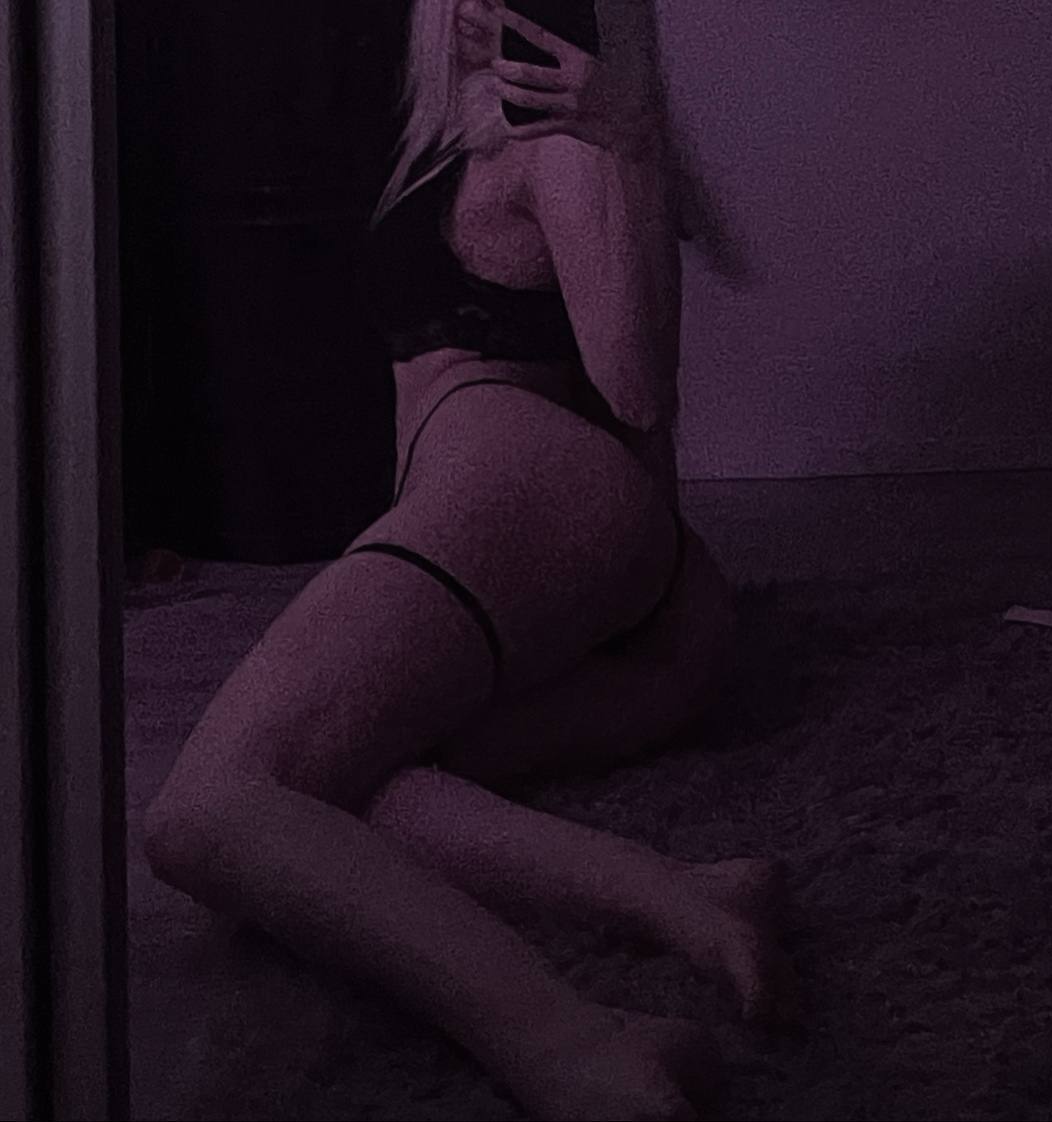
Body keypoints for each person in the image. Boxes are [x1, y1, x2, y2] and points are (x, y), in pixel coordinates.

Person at [142, 1, 790, 1118]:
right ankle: (676, 891)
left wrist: (626, 141)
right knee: (337, 777)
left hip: (529, 482)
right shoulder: (449, 138)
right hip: (498, 503)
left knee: (208, 807)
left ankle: (578, 1047)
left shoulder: (563, 144)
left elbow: (636, 388)